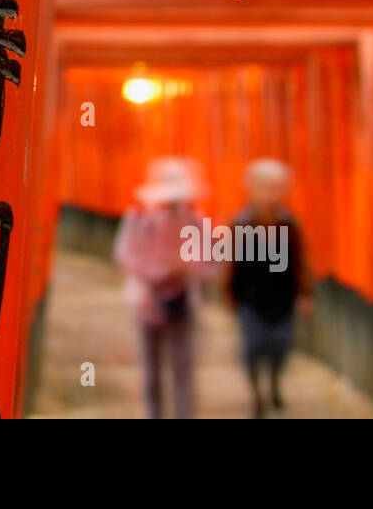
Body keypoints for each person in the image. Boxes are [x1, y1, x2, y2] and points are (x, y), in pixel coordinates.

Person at [112, 157, 206, 418]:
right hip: (147, 301)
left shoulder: (194, 220)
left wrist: (184, 267)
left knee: (183, 370)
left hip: (182, 300)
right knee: (151, 373)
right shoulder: (139, 218)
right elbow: (125, 255)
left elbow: (207, 259)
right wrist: (157, 272)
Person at [227, 158, 312, 418]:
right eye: (265, 187)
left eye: (276, 187)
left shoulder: (289, 224)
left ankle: (274, 384)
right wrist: (229, 296)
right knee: (252, 347)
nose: (270, 194)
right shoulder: (241, 223)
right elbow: (231, 263)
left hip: (283, 296)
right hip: (250, 297)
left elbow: (301, 260)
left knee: (281, 345)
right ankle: (256, 396)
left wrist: (306, 293)